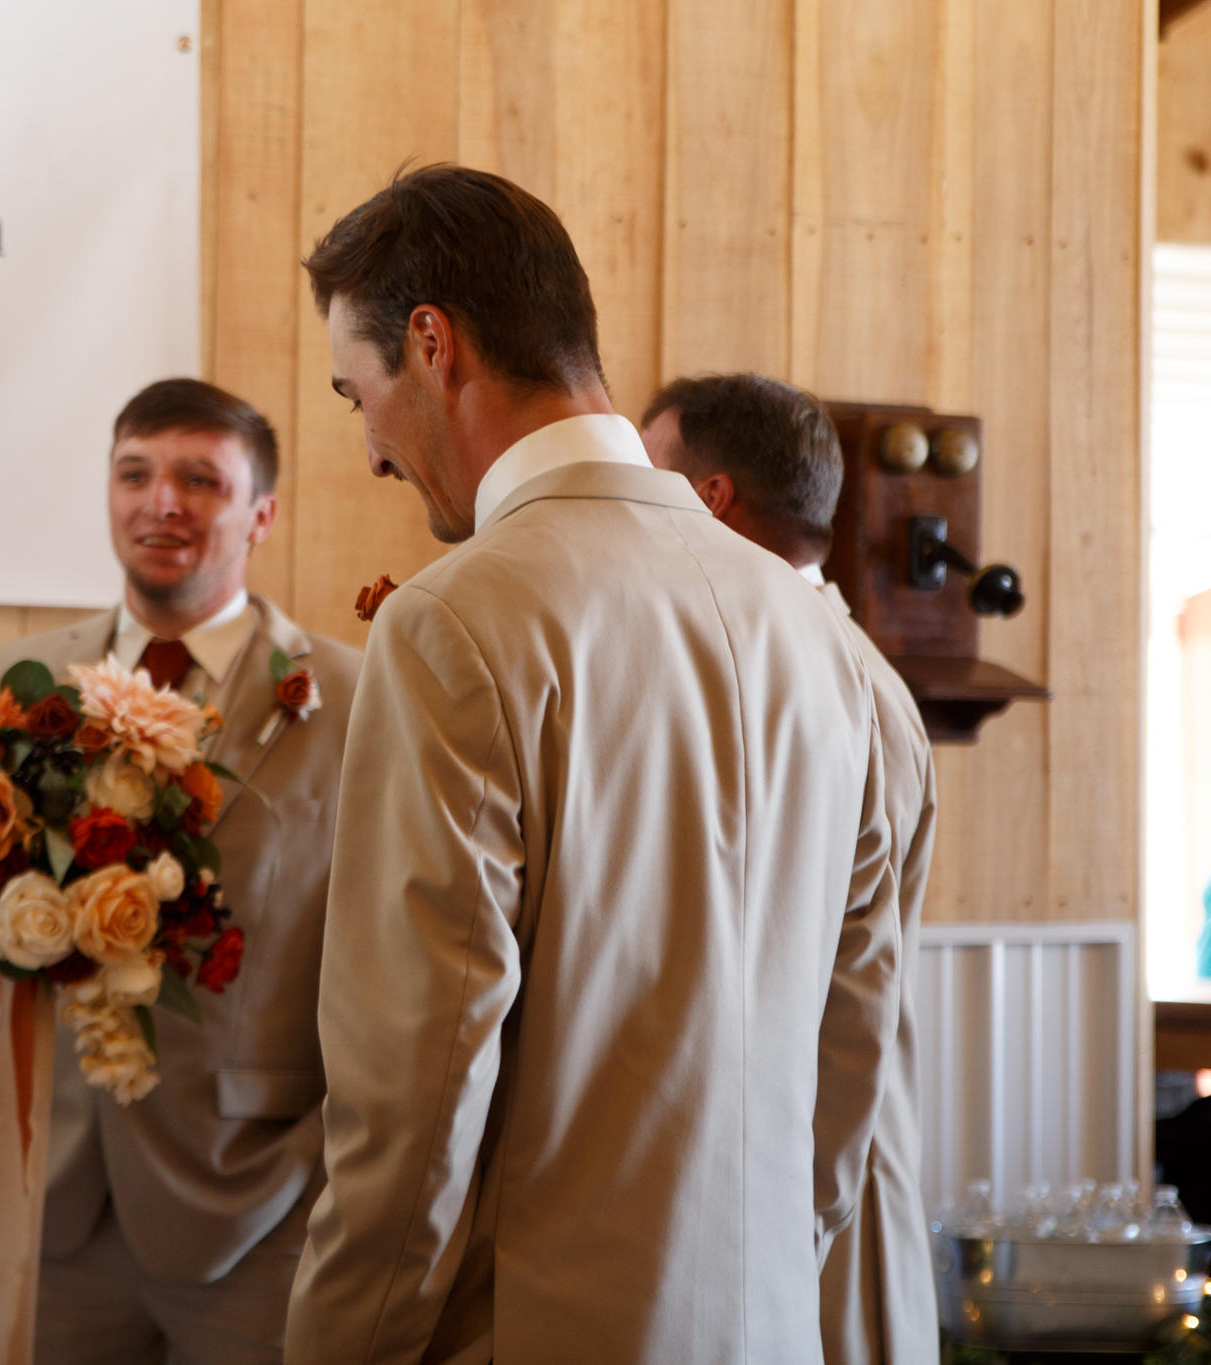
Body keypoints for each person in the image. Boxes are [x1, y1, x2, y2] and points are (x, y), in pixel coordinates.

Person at [283, 165, 903, 1365]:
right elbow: (853, 1046)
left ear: (431, 345)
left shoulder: (455, 622)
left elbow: (414, 1090)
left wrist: (340, 1347)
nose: (369, 452)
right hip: (771, 1326)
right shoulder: (827, 643)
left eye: (357, 394)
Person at [0, 378, 360, 1365]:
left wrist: (323, 1163)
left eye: (199, 479)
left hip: (259, 1203)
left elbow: (381, 956)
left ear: (261, 514)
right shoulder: (23, 680)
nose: (162, 502)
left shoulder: (349, 694)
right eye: (135, 474)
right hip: (49, 1198)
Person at [642, 373, 939, 1365]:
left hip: (820, 1192)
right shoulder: (790, 662)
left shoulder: (842, 685)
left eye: (647, 478)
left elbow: (855, 992)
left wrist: (794, 1221)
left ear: (709, 498)